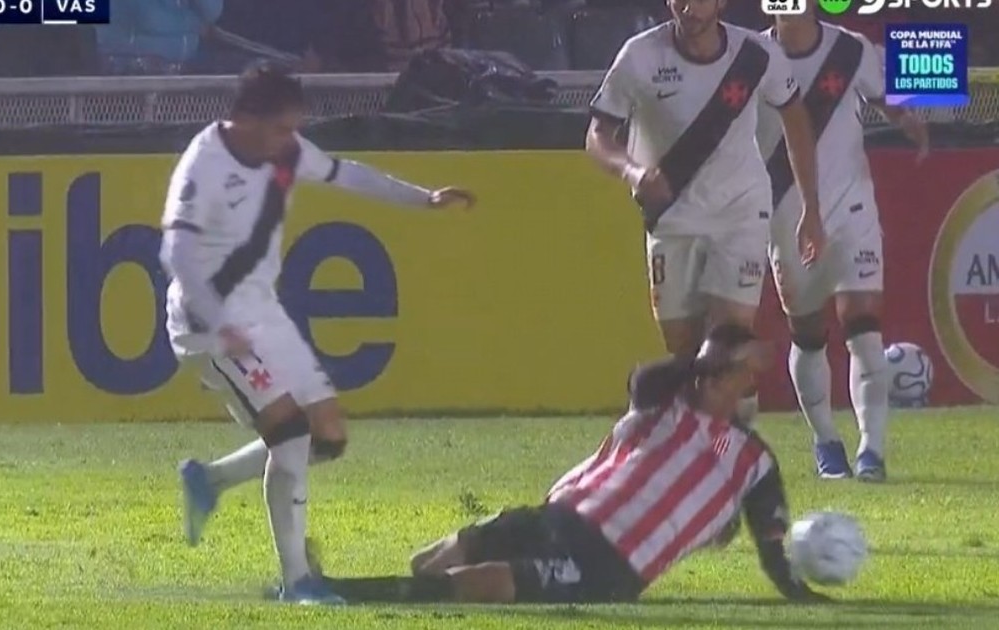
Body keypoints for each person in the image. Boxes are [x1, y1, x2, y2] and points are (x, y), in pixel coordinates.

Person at [159, 62, 475, 604]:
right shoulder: (203, 164)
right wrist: (219, 321)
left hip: (264, 312)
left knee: (327, 436)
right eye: (282, 127)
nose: (291, 139)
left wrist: (422, 198)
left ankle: (209, 481)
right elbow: (178, 253)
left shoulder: (284, 151)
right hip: (209, 324)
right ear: (248, 118)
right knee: (288, 432)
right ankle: (298, 581)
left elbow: (347, 173)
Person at [322, 324, 831, 605]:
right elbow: (646, 376)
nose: (709, 379)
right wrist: (708, 360)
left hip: (611, 561)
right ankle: (378, 594)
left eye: (727, 370)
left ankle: (343, 594)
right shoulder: (661, 400)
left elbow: (772, 550)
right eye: (706, 368)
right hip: (559, 515)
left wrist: (804, 594)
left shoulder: (753, 460)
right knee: (435, 560)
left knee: (490, 581)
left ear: (746, 380)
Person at [585, 0, 823, 428]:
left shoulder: (756, 56)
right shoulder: (640, 56)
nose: (688, 8)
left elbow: (795, 116)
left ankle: (736, 443)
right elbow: (598, 134)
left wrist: (811, 206)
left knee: (726, 344)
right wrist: (633, 172)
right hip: (672, 216)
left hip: (740, 210)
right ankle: (713, 425)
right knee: (684, 350)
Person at [759, 9, 928, 481]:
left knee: (863, 324)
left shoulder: (850, 49)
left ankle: (872, 450)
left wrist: (906, 116)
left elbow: (883, 95)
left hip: (852, 206)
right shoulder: (751, 56)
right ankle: (826, 441)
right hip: (786, 213)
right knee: (809, 332)